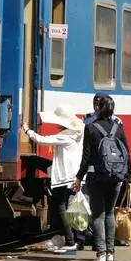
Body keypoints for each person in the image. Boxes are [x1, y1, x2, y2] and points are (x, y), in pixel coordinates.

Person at [73, 95, 131, 261]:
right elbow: (127, 152)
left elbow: (86, 157)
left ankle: (101, 254)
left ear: (98, 108)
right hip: (115, 177)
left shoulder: (90, 128)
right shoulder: (118, 128)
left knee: (97, 215)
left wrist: (78, 178)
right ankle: (111, 252)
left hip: (96, 176)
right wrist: (128, 175)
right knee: (109, 213)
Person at [22, 105, 85, 253]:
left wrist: (26, 129)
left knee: (61, 207)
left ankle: (70, 241)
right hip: (73, 174)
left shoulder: (65, 136)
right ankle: (77, 240)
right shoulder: (78, 132)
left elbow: (41, 140)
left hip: (64, 177)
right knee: (73, 208)